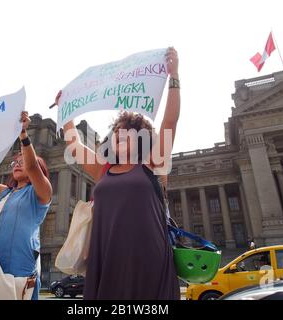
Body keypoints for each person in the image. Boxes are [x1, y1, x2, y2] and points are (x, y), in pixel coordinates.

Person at [55, 47, 181, 299]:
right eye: (117, 132)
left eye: (128, 131)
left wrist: (174, 76)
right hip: (106, 256)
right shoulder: (104, 169)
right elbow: (75, 145)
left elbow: (169, 122)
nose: (121, 134)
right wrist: (65, 111)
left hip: (147, 257)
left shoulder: (153, 164)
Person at [0, 111, 52, 300]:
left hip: (18, 270)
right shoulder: (3, 193)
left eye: (22, 161)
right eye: (15, 162)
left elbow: (32, 167)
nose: (17, 164)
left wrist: (23, 135)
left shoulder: (40, 193)